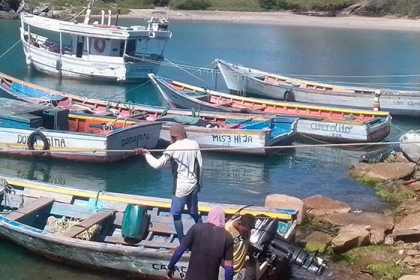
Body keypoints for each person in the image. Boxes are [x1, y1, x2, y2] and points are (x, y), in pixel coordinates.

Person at [135, 123, 203, 242]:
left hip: (180, 187)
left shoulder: (172, 148)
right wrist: (200, 184)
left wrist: (146, 154)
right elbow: (200, 166)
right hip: (193, 185)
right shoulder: (194, 144)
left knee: (176, 215)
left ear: (173, 135)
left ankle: (182, 241)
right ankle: (203, 237)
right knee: (194, 213)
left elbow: (157, 164)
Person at [167, 206, 234, 280]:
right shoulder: (228, 237)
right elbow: (228, 267)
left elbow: (179, 251)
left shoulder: (196, 228)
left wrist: (170, 267)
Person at [224, 214, 256, 280]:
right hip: (227, 270)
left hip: (240, 270)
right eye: (245, 230)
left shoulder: (247, 229)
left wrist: (251, 256)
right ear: (239, 223)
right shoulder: (226, 230)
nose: (246, 232)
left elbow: (246, 244)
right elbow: (220, 253)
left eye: (249, 230)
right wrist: (228, 270)